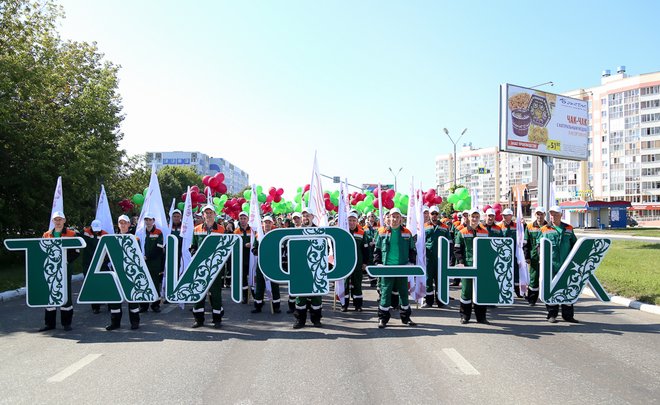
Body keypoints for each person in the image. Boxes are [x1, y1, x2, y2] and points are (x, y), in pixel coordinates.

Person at [373, 208, 417, 329]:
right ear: (389, 218)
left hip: (402, 267)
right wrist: (378, 263)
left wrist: (411, 262)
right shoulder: (382, 232)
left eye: (397, 217)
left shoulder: (407, 232)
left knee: (403, 293)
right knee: (386, 293)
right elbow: (377, 249)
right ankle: (382, 319)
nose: (395, 219)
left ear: (401, 219)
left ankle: (406, 318)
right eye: (393, 217)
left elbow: (412, 249)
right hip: (387, 268)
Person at [40, 211, 80, 331]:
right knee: (50, 292)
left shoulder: (71, 234)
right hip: (50, 269)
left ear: (64, 220)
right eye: (55, 220)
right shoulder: (46, 235)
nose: (58, 222)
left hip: (65, 268)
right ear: (53, 221)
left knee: (65, 293)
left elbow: (76, 252)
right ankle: (49, 324)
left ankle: (66, 323)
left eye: (60, 219)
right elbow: (42, 251)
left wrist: (65, 261)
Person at [541, 206, 579, 323]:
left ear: (561, 215)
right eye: (551, 214)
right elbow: (539, 245)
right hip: (551, 265)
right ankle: (552, 314)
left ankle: (568, 315)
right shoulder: (544, 229)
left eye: (556, 214)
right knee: (551, 289)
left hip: (566, 264)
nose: (553, 217)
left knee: (567, 288)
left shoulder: (568, 228)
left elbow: (575, 244)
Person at [454, 208, 491, 324]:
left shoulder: (485, 232)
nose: (474, 219)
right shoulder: (462, 232)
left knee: (481, 291)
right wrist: (461, 262)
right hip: (467, 267)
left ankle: (481, 317)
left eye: (476, 217)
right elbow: (457, 249)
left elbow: (489, 249)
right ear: (468, 218)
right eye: (472, 217)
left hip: (482, 266)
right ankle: (465, 316)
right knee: (466, 292)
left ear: (479, 218)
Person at [191, 204, 225, 328]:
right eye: (206, 213)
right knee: (199, 292)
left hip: (216, 267)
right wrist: (195, 254)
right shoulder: (197, 229)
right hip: (200, 267)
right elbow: (193, 246)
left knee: (215, 294)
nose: (209, 215)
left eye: (211, 213)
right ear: (203, 215)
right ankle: (198, 320)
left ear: (215, 215)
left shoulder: (222, 229)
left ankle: (217, 320)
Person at [106, 215, 141, 330]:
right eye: (120, 222)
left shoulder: (134, 239)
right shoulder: (112, 238)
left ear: (129, 224)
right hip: (116, 273)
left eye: (125, 222)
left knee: (132, 299)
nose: (123, 225)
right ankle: (115, 323)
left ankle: (135, 322)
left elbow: (137, 256)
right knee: (115, 299)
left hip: (130, 273)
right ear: (118, 224)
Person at [293, 211, 323, 329]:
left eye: (308, 215)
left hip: (316, 266)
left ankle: (316, 319)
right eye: (304, 215)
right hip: (300, 267)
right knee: (300, 296)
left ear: (312, 217)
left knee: (316, 294)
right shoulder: (297, 230)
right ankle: (300, 320)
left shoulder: (320, 230)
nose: (305, 218)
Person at [250, 216, 282, 314]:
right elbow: (254, 249)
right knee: (260, 284)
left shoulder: (275, 235)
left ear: (272, 224)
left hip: (273, 263)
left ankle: (276, 306)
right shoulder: (258, 235)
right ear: (262, 224)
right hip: (261, 263)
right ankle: (258, 305)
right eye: (265, 222)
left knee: (274, 285)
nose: (267, 224)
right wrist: (259, 251)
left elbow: (279, 248)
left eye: (269, 222)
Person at [340, 212, 370, 312]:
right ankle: (344, 305)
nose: (351, 223)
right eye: (350, 220)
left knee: (357, 284)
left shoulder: (362, 233)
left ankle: (358, 305)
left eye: (354, 220)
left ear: (357, 221)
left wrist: (365, 263)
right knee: (345, 284)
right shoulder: (342, 231)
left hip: (358, 263)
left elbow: (366, 250)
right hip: (345, 263)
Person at [424, 206, 451, 308]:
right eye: (432, 213)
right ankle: (429, 302)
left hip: (441, 257)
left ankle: (441, 302)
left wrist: (449, 258)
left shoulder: (444, 227)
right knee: (428, 279)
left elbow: (449, 243)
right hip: (428, 257)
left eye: (436, 214)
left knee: (440, 279)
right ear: (429, 214)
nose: (434, 216)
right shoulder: (424, 226)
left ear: (438, 215)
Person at [80, 219, 108, 314]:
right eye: (94, 229)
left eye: (98, 230)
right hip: (88, 262)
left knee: (106, 282)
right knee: (91, 284)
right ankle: (95, 306)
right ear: (91, 227)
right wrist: (83, 230)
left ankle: (110, 302)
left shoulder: (105, 234)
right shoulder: (85, 233)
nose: (96, 231)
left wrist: (106, 260)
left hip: (102, 263)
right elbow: (78, 236)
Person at [524, 207, 548, 306]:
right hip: (534, 257)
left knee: (547, 277)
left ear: (544, 215)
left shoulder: (549, 226)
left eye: (541, 214)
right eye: (538, 214)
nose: (539, 216)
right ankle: (532, 300)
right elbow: (526, 243)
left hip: (547, 257)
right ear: (535, 215)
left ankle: (548, 298)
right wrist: (527, 257)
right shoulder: (529, 226)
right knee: (533, 278)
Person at [140, 213, 163, 313]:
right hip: (143, 263)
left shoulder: (158, 232)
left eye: (150, 220)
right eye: (146, 220)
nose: (148, 222)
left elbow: (159, 248)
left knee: (154, 283)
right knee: (143, 283)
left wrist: (147, 257)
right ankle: (143, 306)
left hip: (154, 263)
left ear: (153, 221)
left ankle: (155, 305)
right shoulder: (141, 232)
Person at [498, 208, 523, 297]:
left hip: (515, 253)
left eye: (506, 215)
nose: (504, 217)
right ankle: (503, 291)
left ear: (511, 216)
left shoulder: (517, 226)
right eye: (503, 215)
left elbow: (523, 233)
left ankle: (517, 291)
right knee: (503, 272)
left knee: (516, 272)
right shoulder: (499, 226)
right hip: (503, 254)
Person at [234, 212, 252, 303]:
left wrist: (252, 245)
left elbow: (257, 241)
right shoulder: (236, 231)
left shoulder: (253, 230)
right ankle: (245, 296)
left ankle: (256, 296)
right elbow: (234, 245)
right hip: (242, 259)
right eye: (241, 218)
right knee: (243, 278)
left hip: (252, 258)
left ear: (248, 219)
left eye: (244, 218)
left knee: (254, 277)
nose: (243, 220)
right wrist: (244, 245)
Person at [363, 212, 380, 287]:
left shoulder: (378, 227)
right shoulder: (364, 228)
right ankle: (372, 280)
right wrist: (369, 240)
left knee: (376, 261)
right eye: (369, 216)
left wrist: (375, 241)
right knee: (370, 262)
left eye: (372, 216)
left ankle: (377, 279)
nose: (371, 217)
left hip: (376, 247)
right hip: (369, 248)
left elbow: (379, 235)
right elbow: (364, 237)